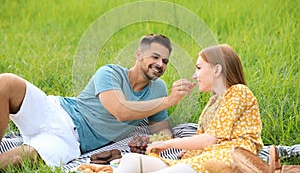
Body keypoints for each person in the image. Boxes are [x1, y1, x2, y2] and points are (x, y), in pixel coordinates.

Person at [0, 34, 195, 169]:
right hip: (56, 111)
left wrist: (160, 142)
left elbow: (161, 130)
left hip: (71, 142)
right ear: (139, 55)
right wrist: (169, 100)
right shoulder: (109, 72)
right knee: (6, 82)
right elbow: (120, 111)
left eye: (165, 61)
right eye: (155, 57)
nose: (160, 64)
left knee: (20, 158)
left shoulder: (158, 89)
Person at [116, 44, 264, 173]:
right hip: (203, 157)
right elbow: (206, 139)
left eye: (199, 68)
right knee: (130, 160)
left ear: (217, 70)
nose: (195, 76)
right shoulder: (214, 101)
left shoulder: (238, 91)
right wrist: (190, 150)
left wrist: (168, 143)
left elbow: (209, 140)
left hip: (228, 157)